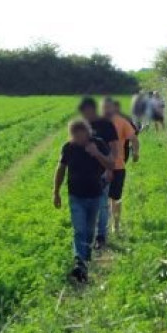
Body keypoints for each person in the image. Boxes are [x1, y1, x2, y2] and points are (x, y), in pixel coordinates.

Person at [53, 119, 114, 282]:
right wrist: (56, 192)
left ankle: (85, 258)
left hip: (95, 195)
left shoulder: (99, 144)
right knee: (79, 230)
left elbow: (111, 164)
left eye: (81, 135)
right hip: (75, 196)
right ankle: (79, 263)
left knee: (88, 231)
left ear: (88, 133)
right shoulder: (68, 148)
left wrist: (96, 153)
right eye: (75, 136)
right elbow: (60, 169)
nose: (78, 139)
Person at [76, 96, 119, 249]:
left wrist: (110, 169)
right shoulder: (81, 125)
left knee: (102, 205)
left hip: (102, 171)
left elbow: (114, 147)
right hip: (85, 173)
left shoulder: (106, 125)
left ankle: (101, 236)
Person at [103, 97, 139, 236]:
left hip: (118, 166)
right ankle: (103, 228)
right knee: (102, 199)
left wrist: (136, 152)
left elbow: (134, 139)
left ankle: (115, 226)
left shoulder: (122, 121)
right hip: (100, 168)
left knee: (115, 198)